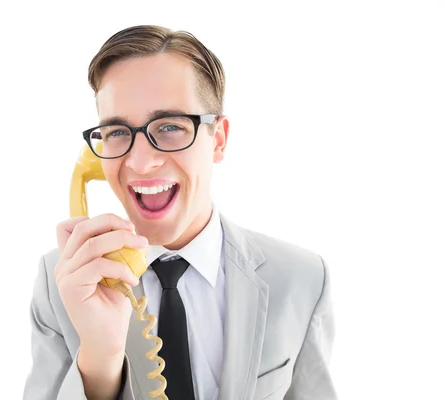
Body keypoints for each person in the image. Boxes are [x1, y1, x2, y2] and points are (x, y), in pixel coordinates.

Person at [23, 25, 337, 400]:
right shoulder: (63, 282)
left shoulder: (301, 279)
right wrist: (100, 361)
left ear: (217, 140)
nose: (140, 162)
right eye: (117, 132)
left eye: (170, 126)